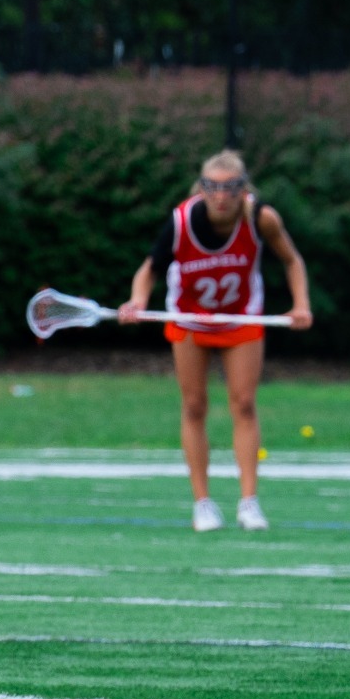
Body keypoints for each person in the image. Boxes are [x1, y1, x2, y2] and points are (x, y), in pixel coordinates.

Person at [119, 149, 312, 532]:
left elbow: (293, 261)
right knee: (194, 406)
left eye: (230, 187)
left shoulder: (261, 218)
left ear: (243, 189)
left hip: (240, 316)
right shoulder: (181, 221)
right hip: (189, 318)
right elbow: (150, 269)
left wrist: (301, 305)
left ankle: (249, 503)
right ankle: (203, 504)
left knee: (244, 403)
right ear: (201, 188)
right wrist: (138, 301)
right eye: (212, 187)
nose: (221, 196)